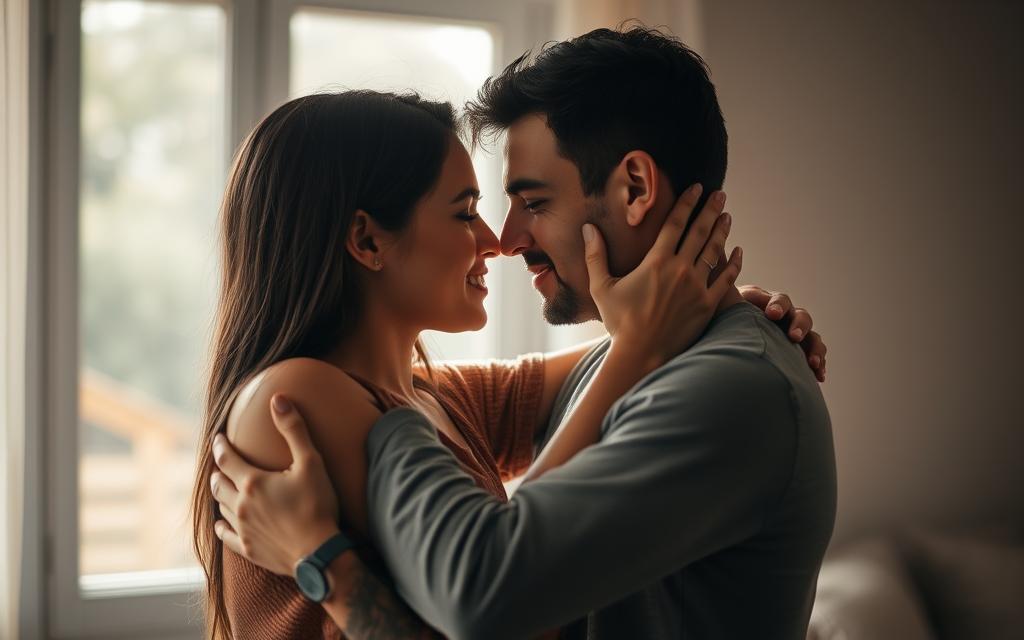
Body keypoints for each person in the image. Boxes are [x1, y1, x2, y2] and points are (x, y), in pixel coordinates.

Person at [201, 29, 831, 640]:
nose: (498, 241)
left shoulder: (432, 400)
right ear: (367, 241)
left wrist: (717, 308)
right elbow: (493, 596)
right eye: (465, 211)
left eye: (529, 202)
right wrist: (323, 564)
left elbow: (624, 359)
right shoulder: (300, 398)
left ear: (635, 187)